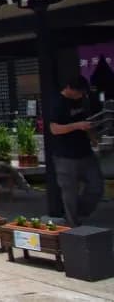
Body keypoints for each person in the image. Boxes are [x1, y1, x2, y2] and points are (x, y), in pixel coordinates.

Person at [49, 76, 103, 226]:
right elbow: (54, 129)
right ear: (69, 89)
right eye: (79, 92)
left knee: (96, 186)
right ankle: (73, 224)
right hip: (65, 156)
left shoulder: (81, 101)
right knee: (70, 192)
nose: (81, 95)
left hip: (85, 151)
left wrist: (92, 137)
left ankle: (82, 211)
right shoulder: (57, 103)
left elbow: (86, 121)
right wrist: (77, 125)